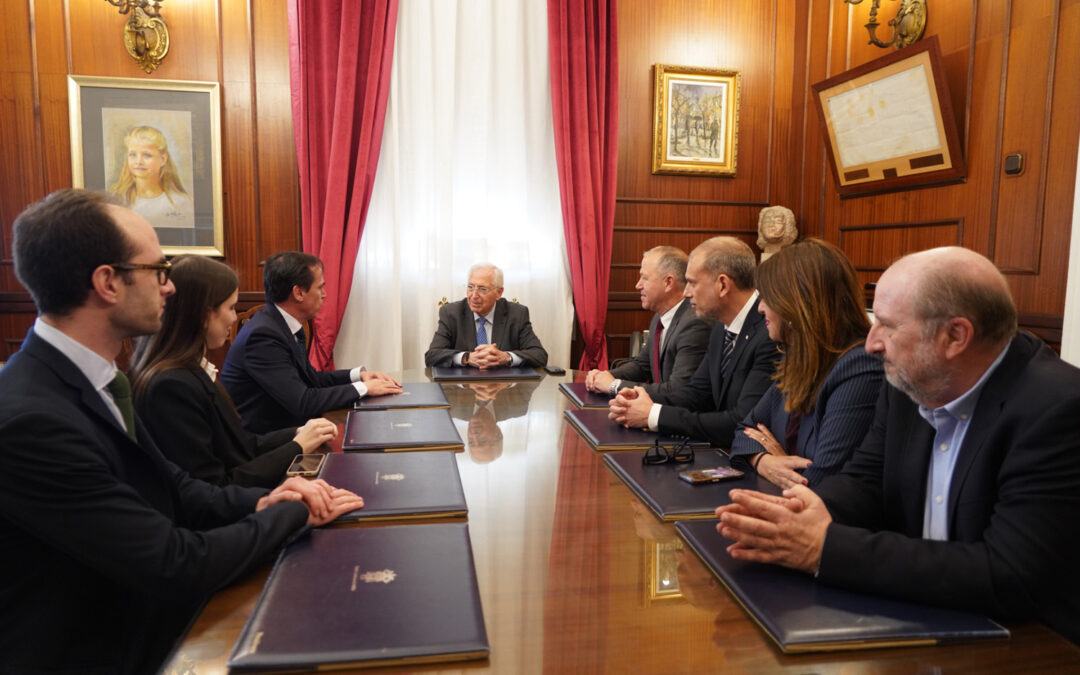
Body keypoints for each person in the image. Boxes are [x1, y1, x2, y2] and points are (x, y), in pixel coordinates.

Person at [0, 189, 364, 674]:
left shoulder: (101, 378)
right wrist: (291, 515)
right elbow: (173, 562)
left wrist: (260, 502)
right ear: (108, 282)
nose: (169, 288)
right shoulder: (31, 420)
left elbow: (178, 485)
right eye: (157, 272)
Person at [715, 246, 1080, 645]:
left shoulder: (1058, 408)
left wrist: (824, 549)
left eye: (886, 326)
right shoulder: (909, 382)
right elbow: (864, 480)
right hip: (920, 615)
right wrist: (802, 513)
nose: (871, 344)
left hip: (1026, 645)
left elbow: (1009, 574)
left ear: (954, 336)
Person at [130, 255, 339, 489]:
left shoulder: (189, 371)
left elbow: (242, 445)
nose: (234, 318)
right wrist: (298, 447)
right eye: (230, 308)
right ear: (202, 315)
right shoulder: (171, 386)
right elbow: (217, 487)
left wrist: (298, 433)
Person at [727, 239, 882, 488]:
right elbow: (744, 431)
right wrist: (764, 461)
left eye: (767, 298)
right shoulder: (798, 358)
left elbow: (822, 481)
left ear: (797, 303)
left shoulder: (860, 367)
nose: (760, 308)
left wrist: (781, 464)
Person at [609, 236, 779, 448]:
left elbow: (741, 422)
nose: (686, 292)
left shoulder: (770, 333)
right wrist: (638, 399)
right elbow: (695, 394)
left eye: (692, 282)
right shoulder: (721, 325)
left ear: (723, 285)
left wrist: (653, 415)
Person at [221, 251, 402, 433]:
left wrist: (358, 376)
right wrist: (364, 389)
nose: (324, 294)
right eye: (320, 287)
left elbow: (311, 379)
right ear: (299, 292)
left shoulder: (282, 324)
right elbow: (303, 401)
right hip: (269, 444)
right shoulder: (262, 336)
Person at [585, 246, 711, 400]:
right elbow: (642, 366)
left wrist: (614, 385)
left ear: (668, 282)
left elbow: (678, 390)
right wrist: (604, 376)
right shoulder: (659, 319)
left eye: (644, 278)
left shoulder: (694, 324)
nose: (638, 285)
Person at [424, 263, 548, 368]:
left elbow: (539, 355)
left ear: (498, 292)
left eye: (483, 289)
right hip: (463, 389)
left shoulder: (517, 314)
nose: (474, 295)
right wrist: (466, 357)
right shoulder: (451, 313)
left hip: (504, 390)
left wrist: (506, 357)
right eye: (470, 287)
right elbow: (432, 356)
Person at [109, 125, 195, 229]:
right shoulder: (116, 199)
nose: (138, 161)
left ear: (163, 159)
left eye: (147, 155)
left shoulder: (180, 202)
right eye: (132, 155)